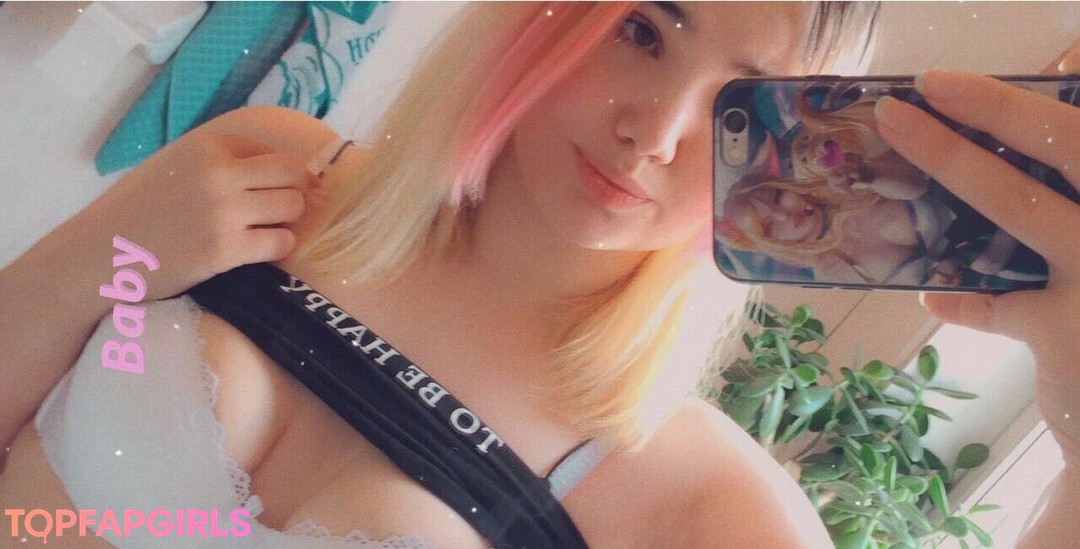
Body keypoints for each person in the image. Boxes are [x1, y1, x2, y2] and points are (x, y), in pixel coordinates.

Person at [0, 2, 1077, 547]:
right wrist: (106, 254)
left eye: (737, 106)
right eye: (643, 30)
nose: (655, 131)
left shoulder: (698, 498)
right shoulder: (273, 171)